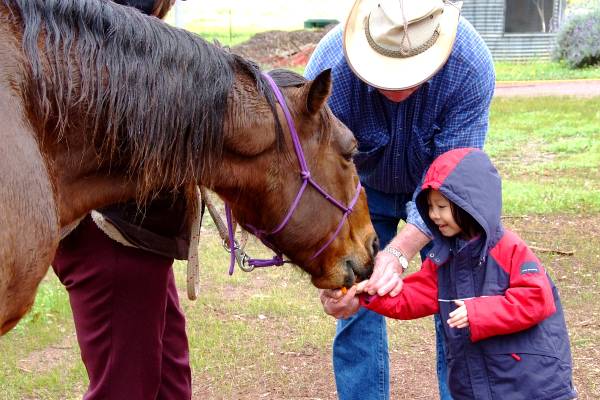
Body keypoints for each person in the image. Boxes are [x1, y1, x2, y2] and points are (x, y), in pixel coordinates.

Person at [304, 0, 495, 399]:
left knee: (457, 305)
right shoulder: (329, 69)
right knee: (357, 305)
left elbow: (455, 182)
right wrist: (330, 274)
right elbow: (319, 180)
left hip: (444, 196)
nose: (395, 86)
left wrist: (397, 253)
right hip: (361, 192)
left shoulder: (470, 66)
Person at [52, 1, 193, 399]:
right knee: (124, 388)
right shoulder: (105, 46)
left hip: (141, 236)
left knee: (169, 379)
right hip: (109, 236)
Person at [357, 147, 576, 399]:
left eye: (441, 206)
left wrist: (478, 312)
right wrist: (370, 293)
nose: (433, 215)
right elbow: (412, 297)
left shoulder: (509, 249)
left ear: (469, 204)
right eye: (429, 206)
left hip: (530, 384)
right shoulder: (443, 257)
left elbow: (538, 298)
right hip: (475, 383)